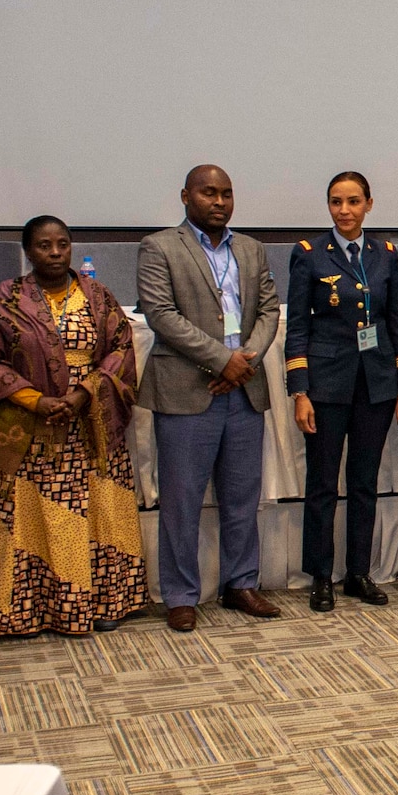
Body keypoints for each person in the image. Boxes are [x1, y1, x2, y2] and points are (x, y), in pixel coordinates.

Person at [0, 216, 148, 635]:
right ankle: (26, 612)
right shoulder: (6, 299)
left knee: (99, 514)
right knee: (31, 519)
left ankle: (105, 602)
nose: (54, 253)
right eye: (45, 246)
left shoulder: (98, 297)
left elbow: (121, 348)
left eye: (62, 245)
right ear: (28, 251)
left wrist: (84, 392)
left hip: (91, 427)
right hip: (30, 432)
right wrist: (37, 400)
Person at [136, 165, 282, 631]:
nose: (218, 202)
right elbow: (161, 314)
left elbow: (268, 311)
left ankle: (241, 584)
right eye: (208, 193)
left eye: (226, 193)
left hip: (244, 389)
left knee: (243, 498)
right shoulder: (159, 247)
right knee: (182, 500)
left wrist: (247, 359)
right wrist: (223, 360)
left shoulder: (251, 249)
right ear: (185, 196)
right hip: (187, 389)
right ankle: (180, 594)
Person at [286, 172, 398, 611]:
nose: (345, 210)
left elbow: (396, 323)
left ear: (369, 205)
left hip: (375, 386)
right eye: (337, 202)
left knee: (364, 483)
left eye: (354, 201)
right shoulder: (309, 255)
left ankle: (358, 573)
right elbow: (298, 327)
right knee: (322, 484)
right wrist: (300, 391)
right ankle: (321, 576)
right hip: (326, 386)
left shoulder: (386, 254)